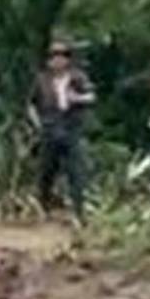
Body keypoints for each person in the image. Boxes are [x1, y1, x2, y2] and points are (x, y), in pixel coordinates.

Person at [29, 40, 96, 222]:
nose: (58, 60)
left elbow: (91, 96)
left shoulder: (78, 78)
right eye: (54, 57)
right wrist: (37, 123)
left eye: (63, 56)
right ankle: (44, 207)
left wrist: (77, 98)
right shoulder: (42, 80)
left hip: (71, 128)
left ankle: (78, 211)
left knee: (76, 171)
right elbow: (32, 104)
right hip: (49, 128)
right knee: (46, 170)